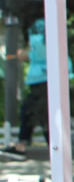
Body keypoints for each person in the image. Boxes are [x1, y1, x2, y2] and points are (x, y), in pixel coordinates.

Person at [13, 18, 46, 155]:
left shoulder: (40, 25)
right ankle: (22, 144)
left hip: (44, 78)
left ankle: (22, 145)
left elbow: (43, 50)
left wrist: (29, 55)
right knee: (37, 113)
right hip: (40, 78)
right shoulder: (36, 25)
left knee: (32, 111)